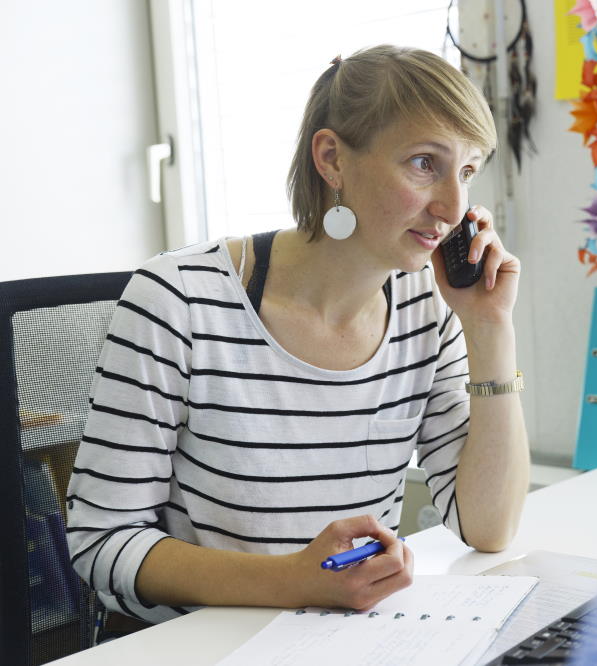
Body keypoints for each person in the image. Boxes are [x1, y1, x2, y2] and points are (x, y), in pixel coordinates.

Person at [66, 44, 530, 626]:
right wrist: (293, 582)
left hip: (343, 642)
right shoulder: (178, 300)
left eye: (466, 171)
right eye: (423, 164)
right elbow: (99, 540)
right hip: (202, 647)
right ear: (332, 159)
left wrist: (490, 328)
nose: (453, 207)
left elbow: (488, 528)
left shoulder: (426, 308)